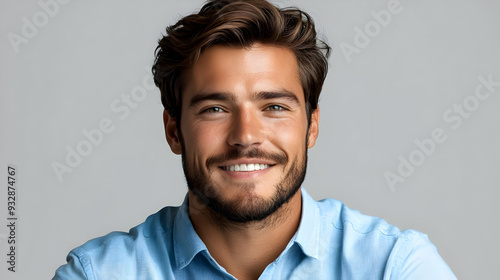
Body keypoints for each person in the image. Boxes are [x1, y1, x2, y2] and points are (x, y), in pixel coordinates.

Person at [53, 0, 457, 279]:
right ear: (174, 130)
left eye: (275, 107)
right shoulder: (97, 274)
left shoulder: (395, 267)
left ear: (312, 126)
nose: (245, 136)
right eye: (215, 108)